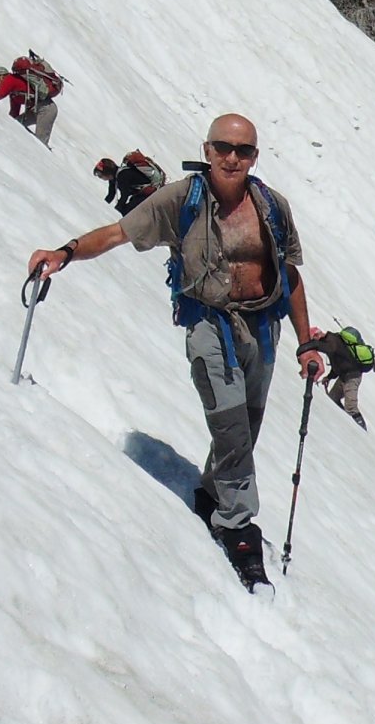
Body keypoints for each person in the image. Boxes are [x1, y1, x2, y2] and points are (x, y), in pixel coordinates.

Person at [24, 115, 324, 589]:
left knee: (245, 427)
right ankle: (237, 524)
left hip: (263, 328)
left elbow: (289, 276)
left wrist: (305, 342)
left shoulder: (272, 207)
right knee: (229, 424)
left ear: (254, 156)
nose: (232, 158)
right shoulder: (181, 200)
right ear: (207, 150)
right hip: (208, 325)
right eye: (223, 147)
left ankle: (212, 491)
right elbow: (118, 233)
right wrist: (64, 252)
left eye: (243, 150)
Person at [298, 324, 373, 426]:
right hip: (344, 376)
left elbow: (325, 347)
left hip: (352, 377)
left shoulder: (331, 341)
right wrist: (329, 377)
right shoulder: (333, 339)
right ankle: (343, 423)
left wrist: (308, 346)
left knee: (351, 407)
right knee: (333, 399)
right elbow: (338, 365)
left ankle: (361, 429)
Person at [0, 54, 63, 144]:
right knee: (16, 124)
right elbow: (14, 113)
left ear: (1, 77)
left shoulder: (10, 79)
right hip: (38, 109)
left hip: (46, 109)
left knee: (40, 142)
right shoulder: (13, 94)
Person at [94, 151, 166, 215]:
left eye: (100, 175)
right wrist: (102, 205)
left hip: (149, 192)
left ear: (107, 174)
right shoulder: (115, 177)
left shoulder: (122, 176)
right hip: (143, 193)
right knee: (128, 208)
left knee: (127, 211)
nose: (100, 177)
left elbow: (125, 194)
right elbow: (111, 192)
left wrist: (119, 206)